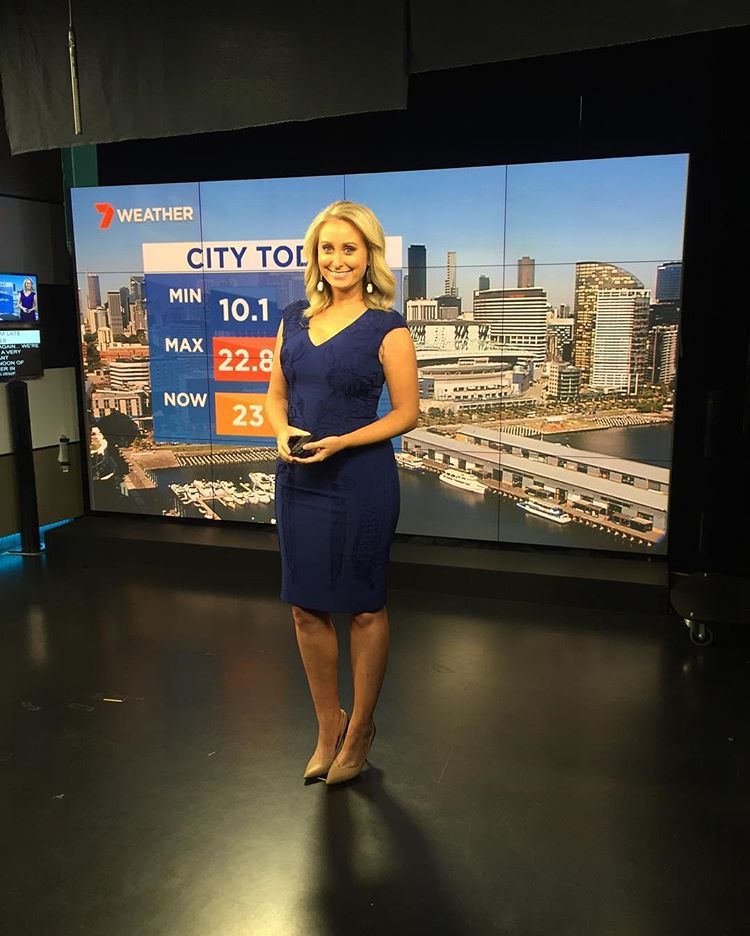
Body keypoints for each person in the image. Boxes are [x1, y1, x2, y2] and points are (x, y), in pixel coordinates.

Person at [266, 201, 419, 785]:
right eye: (327, 248)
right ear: (315, 256)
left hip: (360, 481)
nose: (337, 259)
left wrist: (342, 442)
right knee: (305, 608)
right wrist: (282, 432)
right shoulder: (292, 319)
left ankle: (361, 731)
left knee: (363, 607)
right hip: (299, 478)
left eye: (349, 248)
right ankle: (328, 727)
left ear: (369, 255)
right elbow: (275, 396)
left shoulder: (389, 327)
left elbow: (406, 414)